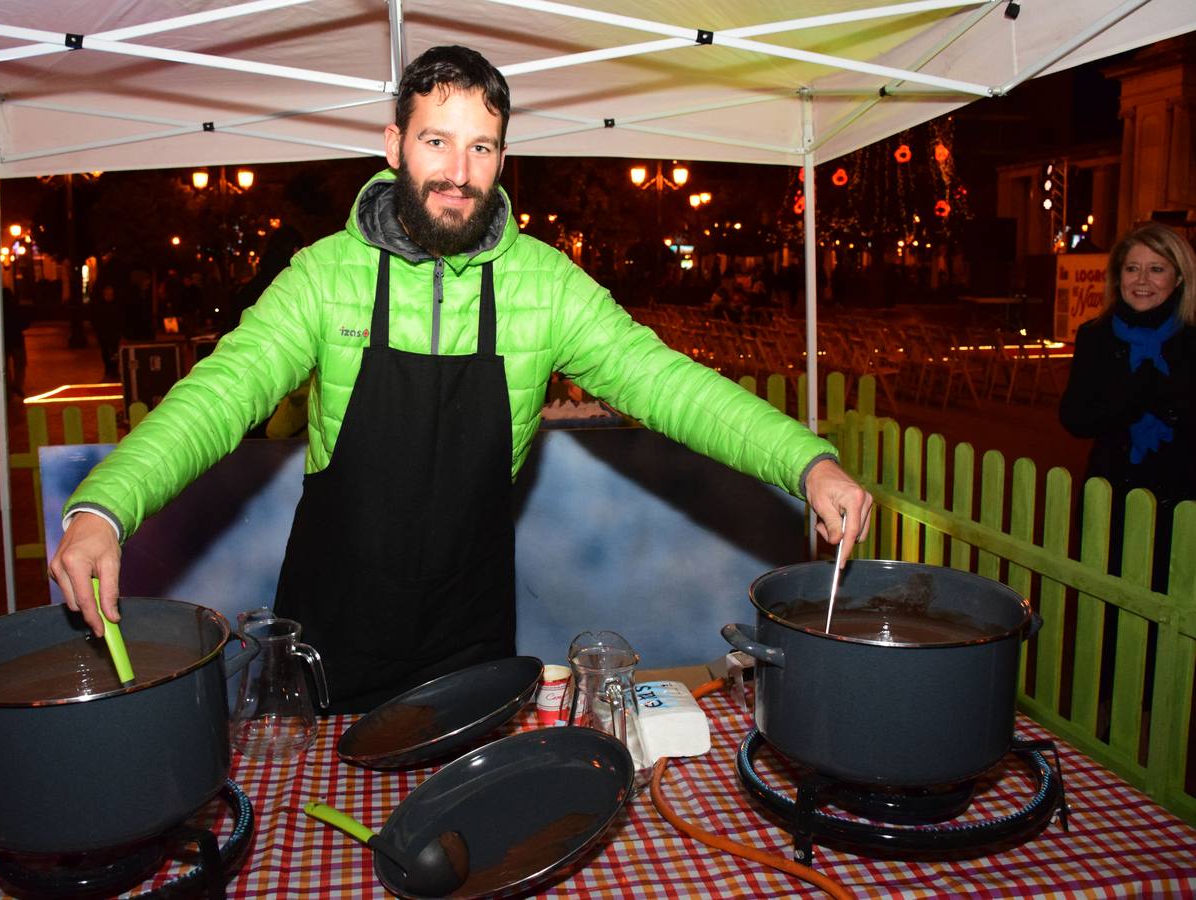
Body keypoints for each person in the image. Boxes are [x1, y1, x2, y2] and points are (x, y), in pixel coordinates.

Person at [50, 45, 873, 713]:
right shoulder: (323, 276)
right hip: (332, 621)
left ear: (501, 158)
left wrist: (807, 462)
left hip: (467, 627)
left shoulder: (544, 285)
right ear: (393, 145)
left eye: (479, 147)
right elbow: (219, 393)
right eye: (435, 141)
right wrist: (102, 507)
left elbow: (667, 382)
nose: (457, 170)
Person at [1060, 222, 1195, 592]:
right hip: (1111, 491)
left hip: (1180, 497)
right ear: (1118, 276)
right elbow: (1075, 418)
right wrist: (1136, 395)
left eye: (1157, 269)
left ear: (1179, 278)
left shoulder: (1190, 340)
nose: (1142, 281)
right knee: (1107, 602)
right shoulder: (1096, 336)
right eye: (1132, 268)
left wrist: (1167, 400)